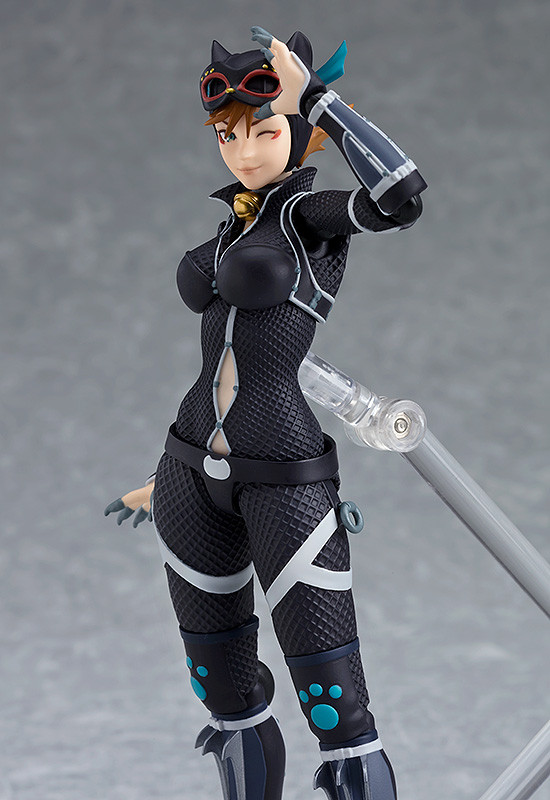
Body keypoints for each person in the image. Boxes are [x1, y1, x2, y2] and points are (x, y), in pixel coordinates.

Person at [106, 27, 426, 800]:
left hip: (284, 470)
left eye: (264, 130)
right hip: (189, 468)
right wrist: (161, 479)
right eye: (230, 135)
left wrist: (321, 99)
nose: (245, 151)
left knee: (334, 701)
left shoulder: (309, 217)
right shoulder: (235, 225)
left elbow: (400, 197)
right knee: (223, 689)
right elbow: (217, 362)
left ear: (298, 132)